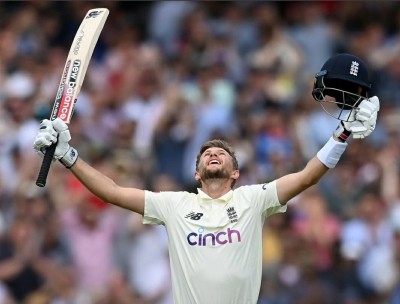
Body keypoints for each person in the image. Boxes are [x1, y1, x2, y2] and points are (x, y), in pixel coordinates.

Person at [33, 53, 380, 304]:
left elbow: (306, 177)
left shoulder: (253, 198)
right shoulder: (175, 204)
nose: (214, 153)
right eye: (206, 153)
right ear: (197, 172)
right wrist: (68, 155)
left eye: (222, 153)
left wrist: (341, 136)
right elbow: (110, 191)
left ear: (236, 172)